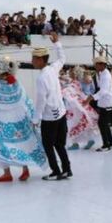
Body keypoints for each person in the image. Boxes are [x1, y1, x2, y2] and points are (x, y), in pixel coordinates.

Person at [31, 32, 71, 180]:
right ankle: (67, 169)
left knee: (48, 145)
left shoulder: (41, 78)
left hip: (50, 118)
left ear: (41, 59)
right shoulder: (53, 68)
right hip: (61, 113)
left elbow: (41, 101)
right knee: (60, 144)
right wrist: (57, 43)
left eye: (34, 59)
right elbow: (62, 58)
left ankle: (56, 172)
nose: (32, 61)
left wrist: (36, 119)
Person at [60, 67, 99, 151]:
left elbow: (66, 92)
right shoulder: (76, 82)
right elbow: (66, 80)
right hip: (77, 105)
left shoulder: (74, 84)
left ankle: (75, 144)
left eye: (71, 72)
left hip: (74, 107)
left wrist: (61, 90)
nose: (69, 73)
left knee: (72, 124)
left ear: (74, 74)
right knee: (83, 123)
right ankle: (89, 140)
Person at [85, 56, 112, 152]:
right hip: (104, 103)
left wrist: (91, 97)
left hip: (107, 102)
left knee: (102, 124)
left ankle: (106, 145)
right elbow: (99, 86)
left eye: (96, 64)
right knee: (104, 124)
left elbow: (103, 91)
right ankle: (111, 143)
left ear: (102, 65)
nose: (95, 66)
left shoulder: (106, 75)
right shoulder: (102, 74)